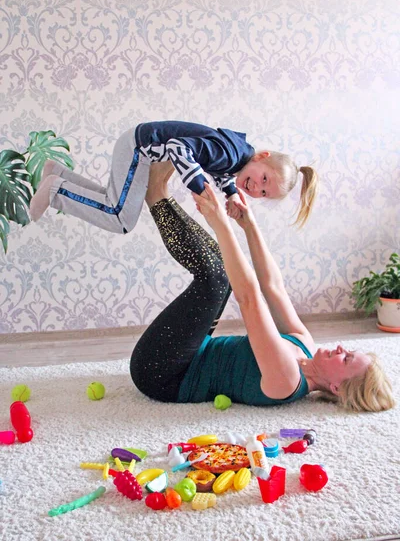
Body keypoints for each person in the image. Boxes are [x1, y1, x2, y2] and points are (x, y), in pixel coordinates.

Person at [130, 168, 394, 413]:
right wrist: (248, 224)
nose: (340, 348)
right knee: (222, 275)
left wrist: (221, 223)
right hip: (192, 350)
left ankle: (156, 192)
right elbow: (273, 287)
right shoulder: (303, 345)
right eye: (348, 351)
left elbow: (250, 300)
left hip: (163, 374)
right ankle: (158, 193)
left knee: (216, 280)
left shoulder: (287, 380)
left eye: (346, 359)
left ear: (337, 388)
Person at [29, 120, 318, 231]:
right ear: (262, 157)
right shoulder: (230, 154)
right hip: (138, 148)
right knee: (121, 219)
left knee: (112, 202)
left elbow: (217, 168)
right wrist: (199, 184)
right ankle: (56, 190)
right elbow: (180, 148)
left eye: (263, 193)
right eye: (264, 179)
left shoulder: (237, 155)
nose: (256, 187)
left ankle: (56, 173)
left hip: (136, 143)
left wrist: (230, 193)